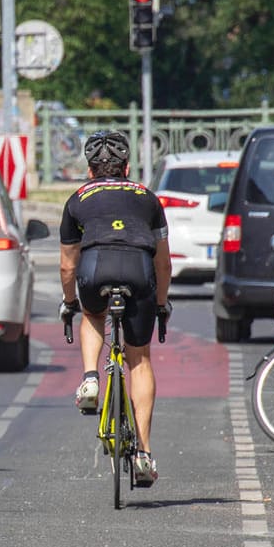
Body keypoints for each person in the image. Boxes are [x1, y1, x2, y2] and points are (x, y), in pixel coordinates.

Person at [58, 130, 172, 487]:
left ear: (90, 170)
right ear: (126, 168)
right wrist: (160, 302)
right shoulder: (148, 198)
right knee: (139, 359)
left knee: (93, 314)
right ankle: (144, 454)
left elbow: (67, 265)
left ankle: (91, 379)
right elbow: (164, 263)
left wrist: (69, 302)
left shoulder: (77, 198)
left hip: (95, 268)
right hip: (139, 269)